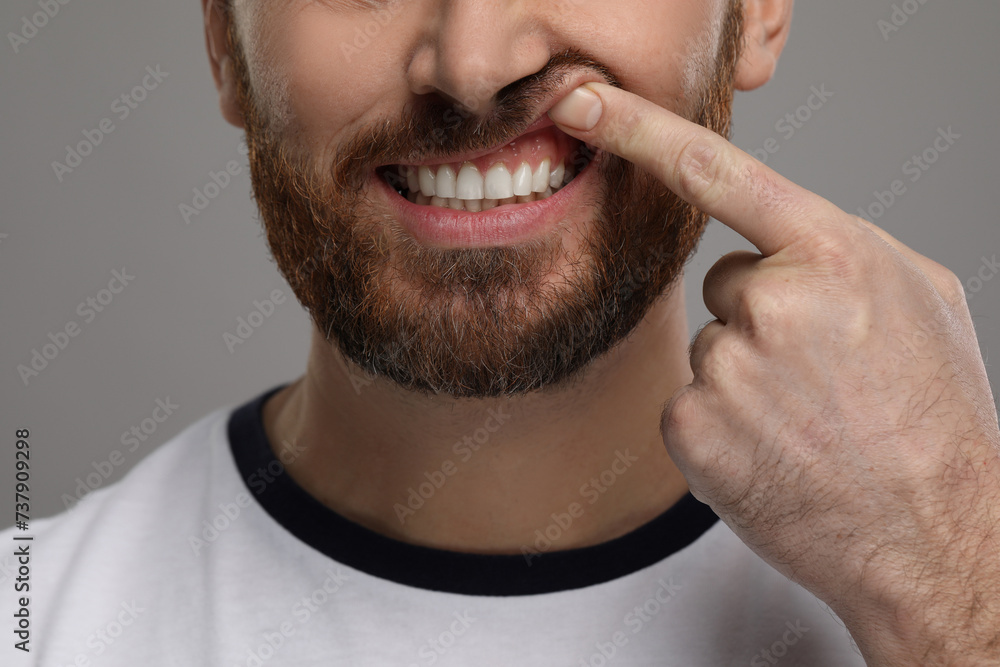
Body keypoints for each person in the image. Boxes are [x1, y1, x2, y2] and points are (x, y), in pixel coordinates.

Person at [4, 0, 998, 664]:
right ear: (225, 42)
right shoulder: (34, 623)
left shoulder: (959, 593)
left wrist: (953, 599)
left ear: (758, 11)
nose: (476, 65)